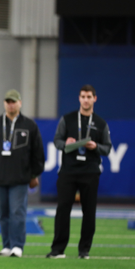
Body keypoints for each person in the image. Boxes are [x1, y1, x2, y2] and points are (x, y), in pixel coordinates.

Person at [47, 84, 112, 259]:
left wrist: (96, 146)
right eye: (83, 96)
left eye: (89, 97)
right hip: (68, 171)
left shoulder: (100, 123)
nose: (85, 100)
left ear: (94, 99)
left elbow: (107, 148)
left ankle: (84, 250)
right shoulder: (67, 119)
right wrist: (65, 144)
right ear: (79, 98)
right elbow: (56, 141)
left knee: (89, 211)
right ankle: (58, 249)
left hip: (90, 172)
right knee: (63, 209)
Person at [0, 89, 45, 258]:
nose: (11, 104)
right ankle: (7, 245)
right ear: (4, 103)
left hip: (20, 177)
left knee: (17, 212)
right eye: (8, 101)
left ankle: (17, 245)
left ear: (20, 103)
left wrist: (35, 174)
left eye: (14, 101)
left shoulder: (29, 125)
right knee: (3, 213)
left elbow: (38, 152)